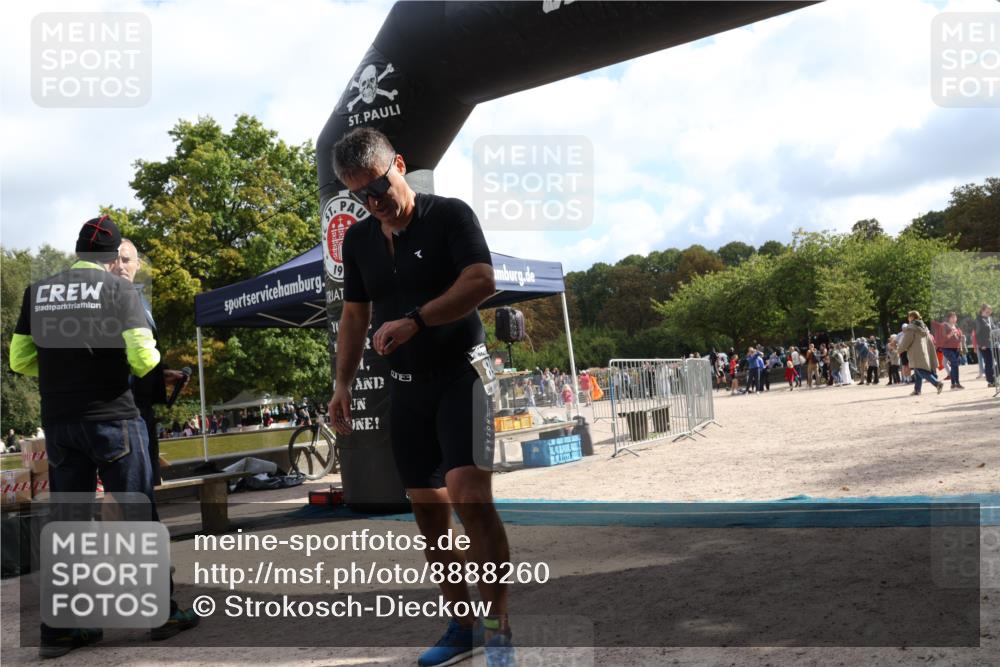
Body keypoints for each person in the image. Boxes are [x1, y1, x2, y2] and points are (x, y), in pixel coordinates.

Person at [326, 128, 514, 666]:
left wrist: (416, 320)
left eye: (378, 186)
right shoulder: (359, 241)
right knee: (429, 515)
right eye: (359, 195)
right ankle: (462, 625)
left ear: (400, 166)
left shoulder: (450, 215)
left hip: (462, 377)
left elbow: (481, 281)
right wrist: (342, 383)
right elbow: (355, 315)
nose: (373, 201)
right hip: (406, 389)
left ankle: (498, 630)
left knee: (469, 497)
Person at [9, 216, 198, 657]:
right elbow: (144, 357)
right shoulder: (119, 291)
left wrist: (62, 372)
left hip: (60, 422)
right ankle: (160, 614)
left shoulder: (38, 292)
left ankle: (61, 629)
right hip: (113, 419)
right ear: (113, 257)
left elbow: (19, 359)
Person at [111, 239, 187, 486]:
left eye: (126, 260)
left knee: (149, 477)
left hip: (142, 403)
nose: (120, 265)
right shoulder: (104, 298)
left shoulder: (141, 300)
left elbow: (140, 348)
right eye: (115, 259)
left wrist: (161, 373)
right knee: (133, 481)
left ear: (138, 264)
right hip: (121, 405)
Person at [896, 310, 945, 396]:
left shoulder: (911, 328)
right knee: (917, 371)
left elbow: (906, 341)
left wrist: (899, 350)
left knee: (920, 370)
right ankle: (917, 390)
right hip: (924, 351)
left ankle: (937, 383)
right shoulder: (924, 327)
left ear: (912, 317)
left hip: (915, 352)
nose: (908, 318)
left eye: (909, 317)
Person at [939, 311, 965, 390]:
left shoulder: (956, 326)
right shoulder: (944, 326)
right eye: (952, 317)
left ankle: (953, 384)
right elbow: (942, 338)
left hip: (956, 348)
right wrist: (950, 335)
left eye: (955, 317)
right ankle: (956, 383)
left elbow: (959, 337)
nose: (954, 319)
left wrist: (961, 346)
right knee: (954, 363)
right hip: (947, 348)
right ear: (948, 318)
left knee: (954, 365)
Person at [974, 304, 996, 387]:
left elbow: (993, 328)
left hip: (993, 343)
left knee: (996, 360)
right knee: (989, 362)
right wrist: (981, 344)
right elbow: (977, 334)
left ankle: (994, 375)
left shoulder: (990, 319)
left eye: (990, 310)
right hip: (984, 345)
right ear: (983, 310)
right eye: (988, 310)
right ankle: (991, 381)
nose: (989, 311)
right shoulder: (978, 320)